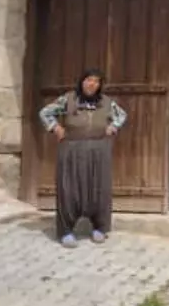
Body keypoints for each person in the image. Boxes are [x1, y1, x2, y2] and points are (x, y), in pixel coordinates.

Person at [38, 68, 127, 248]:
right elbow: (45, 112)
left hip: (98, 149)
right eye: (88, 80)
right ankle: (66, 231)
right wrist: (55, 128)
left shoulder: (106, 102)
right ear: (81, 82)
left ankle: (99, 228)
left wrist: (113, 127)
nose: (92, 84)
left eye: (96, 81)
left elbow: (122, 115)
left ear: (100, 85)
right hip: (72, 149)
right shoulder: (68, 99)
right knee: (69, 188)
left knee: (99, 187)